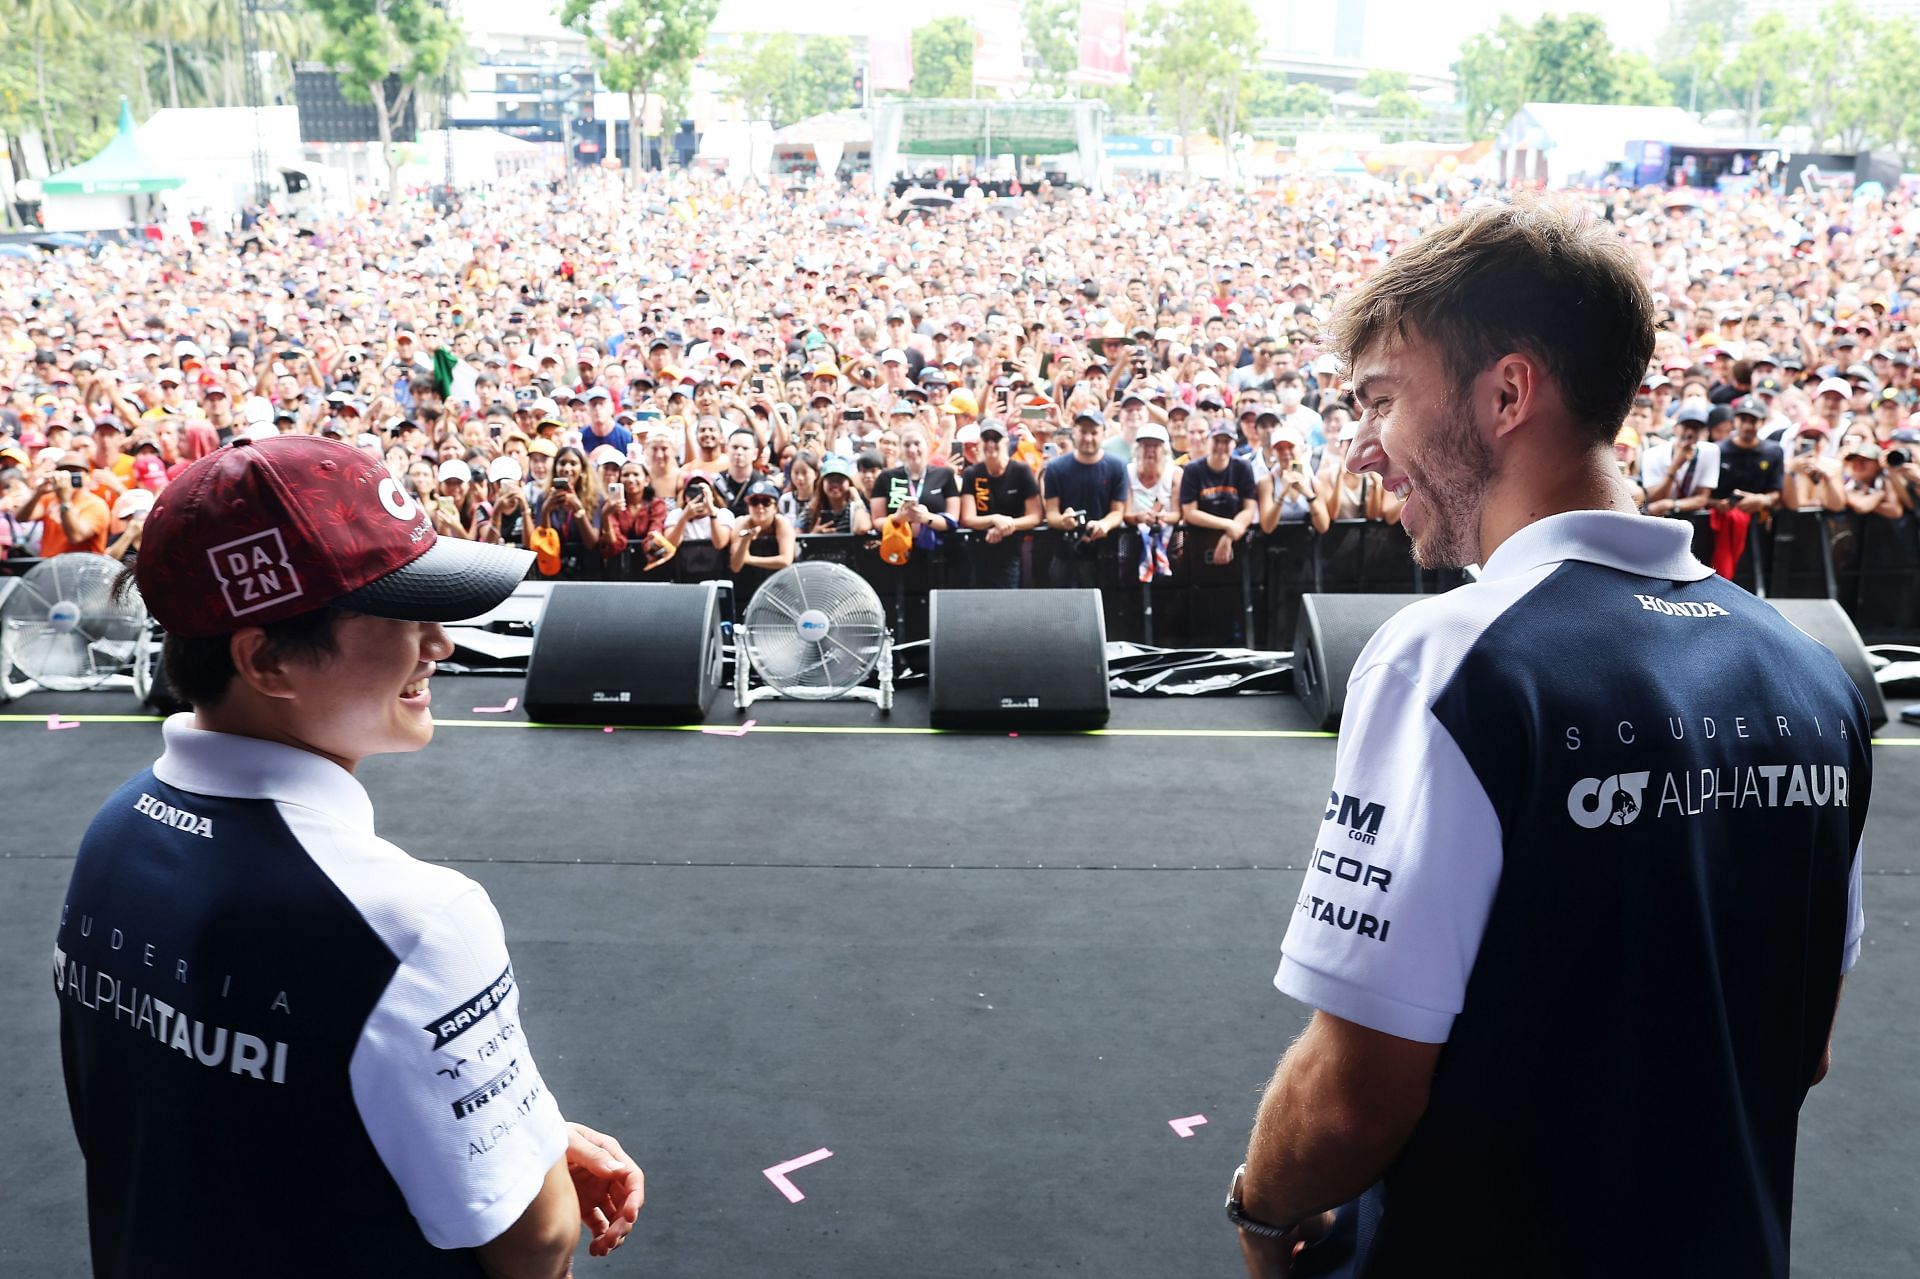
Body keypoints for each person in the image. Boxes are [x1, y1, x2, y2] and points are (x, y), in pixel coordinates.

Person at [1232, 201, 1870, 1279]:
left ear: (1508, 394)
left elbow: (1353, 1095)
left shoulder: (1449, 659)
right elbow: (1798, 1044)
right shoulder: (1814, 675)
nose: (1363, 448)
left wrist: (1259, 1215)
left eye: (1381, 401)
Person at [57, 434, 643, 1277]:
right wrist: (527, 1161)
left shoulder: (113, 832)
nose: (439, 645)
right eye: (403, 615)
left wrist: (526, 1136)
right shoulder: (416, 920)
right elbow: (538, 1239)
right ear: (266, 658)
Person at [959, 419, 1043, 588]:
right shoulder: (971, 473)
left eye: (995, 439)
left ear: (1005, 442)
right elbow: (967, 518)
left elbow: (1035, 515)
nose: (991, 444)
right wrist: (995, 519)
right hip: (978, 550)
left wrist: (1006, 525)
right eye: (986, 439)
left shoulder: (1020, 471)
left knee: (1009, 601)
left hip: (1011, 550)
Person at [1180, 420, 1258, 566]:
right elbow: (1190, 513)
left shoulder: (1243, 467)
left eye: (1226, 441)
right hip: (1199, 542)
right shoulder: (1192, 469)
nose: (1221, 446)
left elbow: (1249, 509)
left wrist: (1228, 536)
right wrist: (1227, 525)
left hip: (1237, 540)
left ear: (1234, 444)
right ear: (1209, 441)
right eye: (1217, 441)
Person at [15, 448, 110, 556]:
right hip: (51, 567)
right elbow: (21, 517)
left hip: (83, 568)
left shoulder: (97, 505)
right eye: (63, 471)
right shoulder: (50, 498)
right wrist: (38, 493)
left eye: (74, 471)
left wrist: (65, 500)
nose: (68, 476)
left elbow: (76, 536)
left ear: (87, 476)